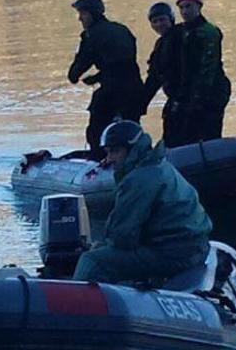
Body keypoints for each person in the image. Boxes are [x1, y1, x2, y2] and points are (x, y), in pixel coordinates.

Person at [73, 120, 212, 284]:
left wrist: (102, 247)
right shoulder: (159, 165)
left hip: (173, 255)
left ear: (131, 150)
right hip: (194, 249)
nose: (109, 159)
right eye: (108, 152)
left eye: (115, 152)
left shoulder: (138, 179)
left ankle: (72, 304)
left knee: (92, 260)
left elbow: (122, 236)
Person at [67, 0, 145, 161]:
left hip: (111, 92)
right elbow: (122, 63)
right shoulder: (122, 29)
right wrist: (97, 78)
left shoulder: (92, 34)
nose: (80, 18)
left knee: (96, 131)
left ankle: (101, 163)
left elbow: (81, 63)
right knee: (131, 128)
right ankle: (137, 159)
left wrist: (73, 76)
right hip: (134, 89)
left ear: (92, 14)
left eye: (82, 13)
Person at [175, 0, 232, 144]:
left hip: (212, 92)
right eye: (181, 7)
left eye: (188, 6)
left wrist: (197, 97)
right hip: (192, 93)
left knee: (209, 134)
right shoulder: (182, 32)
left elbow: (208, 68)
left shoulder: (208, 32)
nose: (185, 11)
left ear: (199, 7)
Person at [140, 2, 185, 147]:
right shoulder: (161, 44)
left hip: (187, 98)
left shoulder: (183, 36)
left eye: (162, 20)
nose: (159, 24)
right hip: (175, 98)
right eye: (155, 21)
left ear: (171, 19)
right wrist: (141, 103)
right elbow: (154, 76)